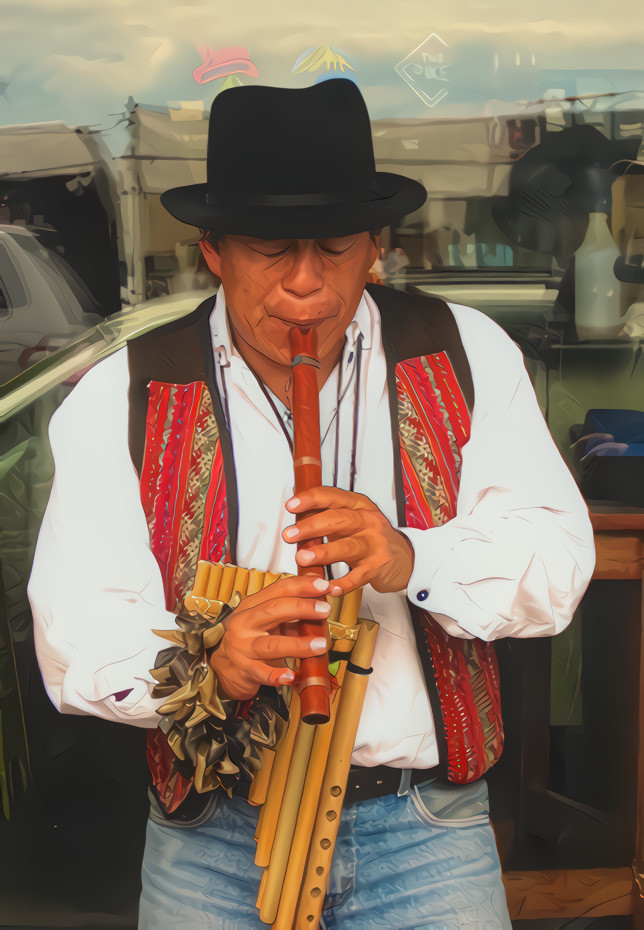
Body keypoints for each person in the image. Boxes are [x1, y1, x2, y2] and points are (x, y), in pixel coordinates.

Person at [28, 79, 595, 929]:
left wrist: (414, 556)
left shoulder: (467, 352)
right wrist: (206, 661)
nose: (306, 285)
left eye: (334, 249)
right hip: (212, 836)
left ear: (377, 244)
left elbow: (559, 564)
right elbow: (73, 637)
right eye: (270, 249)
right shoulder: (121, 395)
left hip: (424, 829)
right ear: (213, 250)